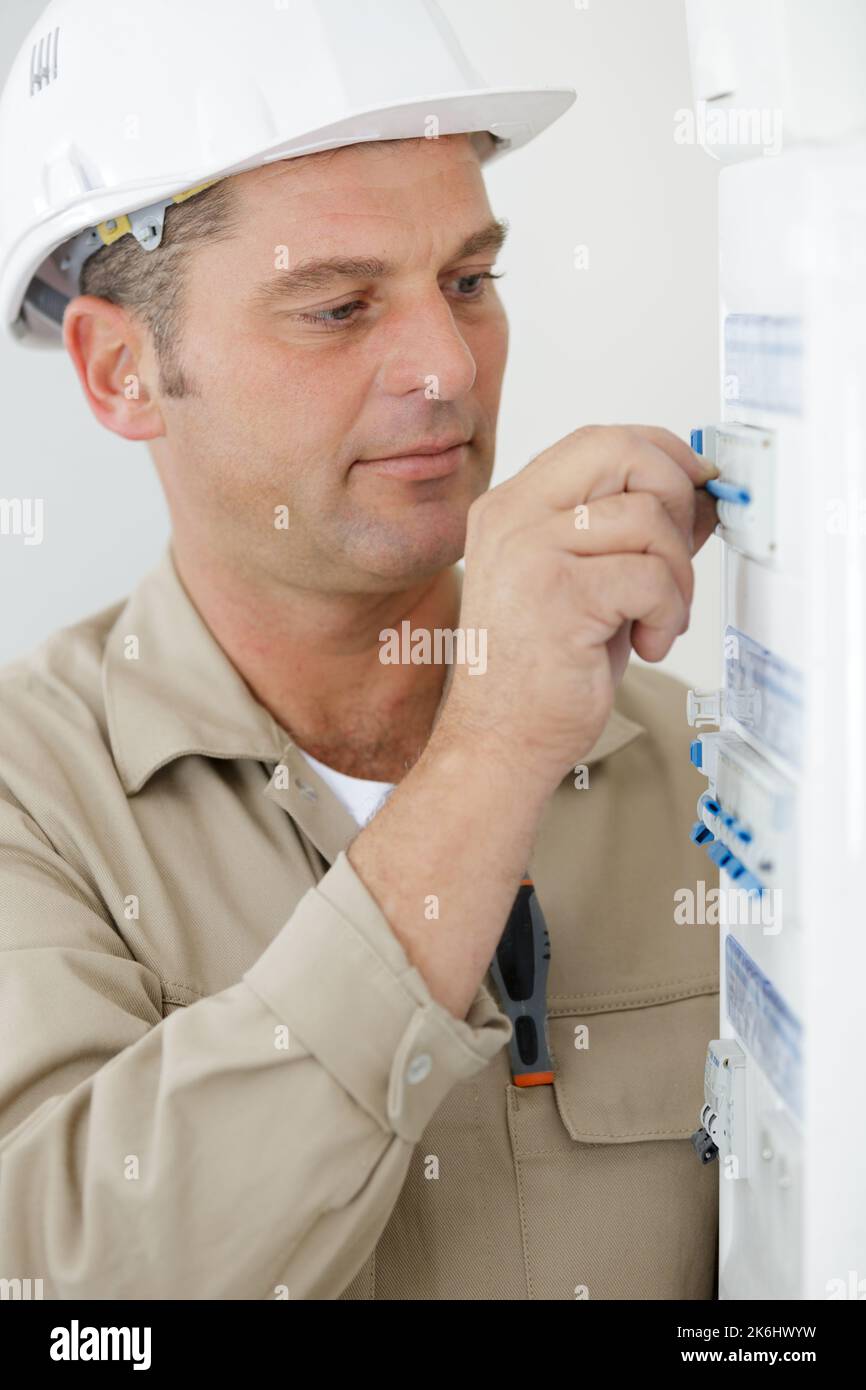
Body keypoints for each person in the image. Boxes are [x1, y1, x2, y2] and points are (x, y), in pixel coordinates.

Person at [0, 0, 720, 1300]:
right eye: (337, 308)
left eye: (468, 281)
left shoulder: (715, 782)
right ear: (120, 372)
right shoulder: (29, 799)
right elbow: (69, 1286)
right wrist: (491, 751)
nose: (447, 367)